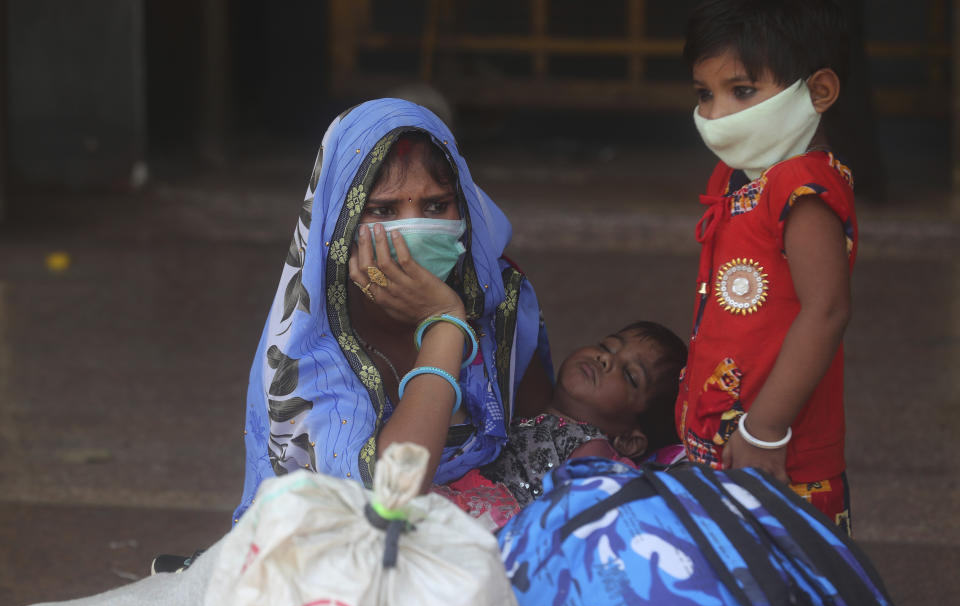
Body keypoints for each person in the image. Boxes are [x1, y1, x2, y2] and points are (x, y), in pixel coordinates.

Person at [233, 98, 553, 523]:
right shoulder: (308, 355)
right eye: (383, 211)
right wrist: (445, 323)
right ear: (338, 225)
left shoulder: (499, 306)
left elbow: (543, 446)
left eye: (437, 206)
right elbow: (391, 497)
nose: (414, 229)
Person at [675, 0, 856, 532]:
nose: (716, 114)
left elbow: (827, 311)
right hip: (732, 447)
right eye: (705, 95)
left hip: (779, 457)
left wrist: (764, 430)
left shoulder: (802, 188)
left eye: (742, 91)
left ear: (818, 91)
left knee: (785, 597)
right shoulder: (745, 180)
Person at [479, 320, 688, 508]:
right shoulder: (520, 406)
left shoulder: (595, 455)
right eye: (606, 346)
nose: (605, 358)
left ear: (628, 441)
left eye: (630, 376)